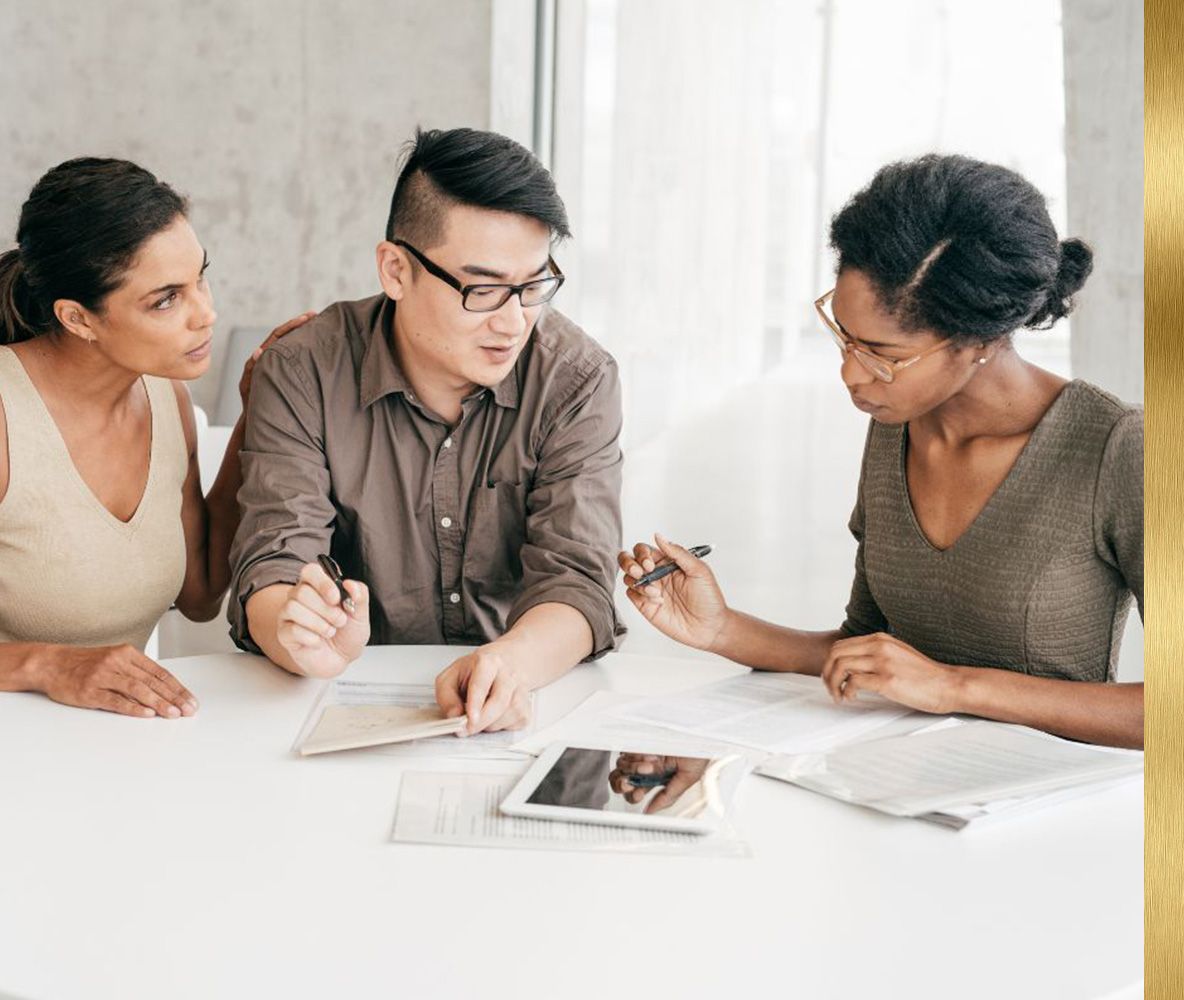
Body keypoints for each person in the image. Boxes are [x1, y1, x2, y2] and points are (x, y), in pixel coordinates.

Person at [620, 154, 1143, 750]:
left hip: (1042, 807)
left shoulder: (1118, 449)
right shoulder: (899, 421)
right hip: (895, 786)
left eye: (882, 353)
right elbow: (867, 648)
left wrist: (956, 687)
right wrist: (720, 628)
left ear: (978, 341)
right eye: (843, 336)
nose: (850, 373)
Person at [229, 127, 624, 735]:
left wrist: (507, 663)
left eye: (534, 286)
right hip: (337, 697)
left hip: (521, 697)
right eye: (483, 289)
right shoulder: (302, 369)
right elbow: (275, 559)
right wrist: (300, 632)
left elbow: (578, 579)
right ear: (396, 270)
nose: (513, 321)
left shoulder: (576, 380)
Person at [0, 157, 310, 719]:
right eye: (166, 299)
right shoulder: (5, 417)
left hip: (117, 751)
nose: (207, 314)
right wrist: (46, 664)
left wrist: (256, 417)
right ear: (78, 318)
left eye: (201, 278)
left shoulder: (168, 400)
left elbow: (200, 593)